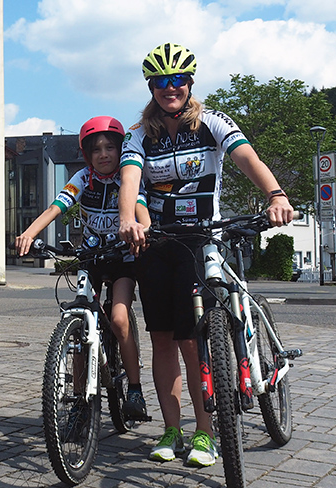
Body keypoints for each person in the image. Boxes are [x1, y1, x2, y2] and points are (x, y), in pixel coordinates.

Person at [117, 43, 294, 466]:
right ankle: (171, 430)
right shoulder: (139, 135)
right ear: (151, 88)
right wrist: (129, 218)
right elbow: (129, 179)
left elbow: (247, 158)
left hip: (201, 240)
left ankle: (206, 432)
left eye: (178, 80)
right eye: (161, 82)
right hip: (157, 242)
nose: (170, 88)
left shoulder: (212, 123)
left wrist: (275, 193)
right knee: (161, 340)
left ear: (189, 83)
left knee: (194, 342)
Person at [14, 116, 152, 419]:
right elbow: (56, 207)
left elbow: (140, 208)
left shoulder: (127, 179)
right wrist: (30, 233)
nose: (103, 154)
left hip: (122, 259)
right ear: (87, 155)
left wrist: (145, 228)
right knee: (79, 323)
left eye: (110, 148)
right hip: (91, 257)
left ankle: (135, 389)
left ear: (120, 151)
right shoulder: (83, 179)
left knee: (118, 318)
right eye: (96, 150)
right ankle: (79, 398)